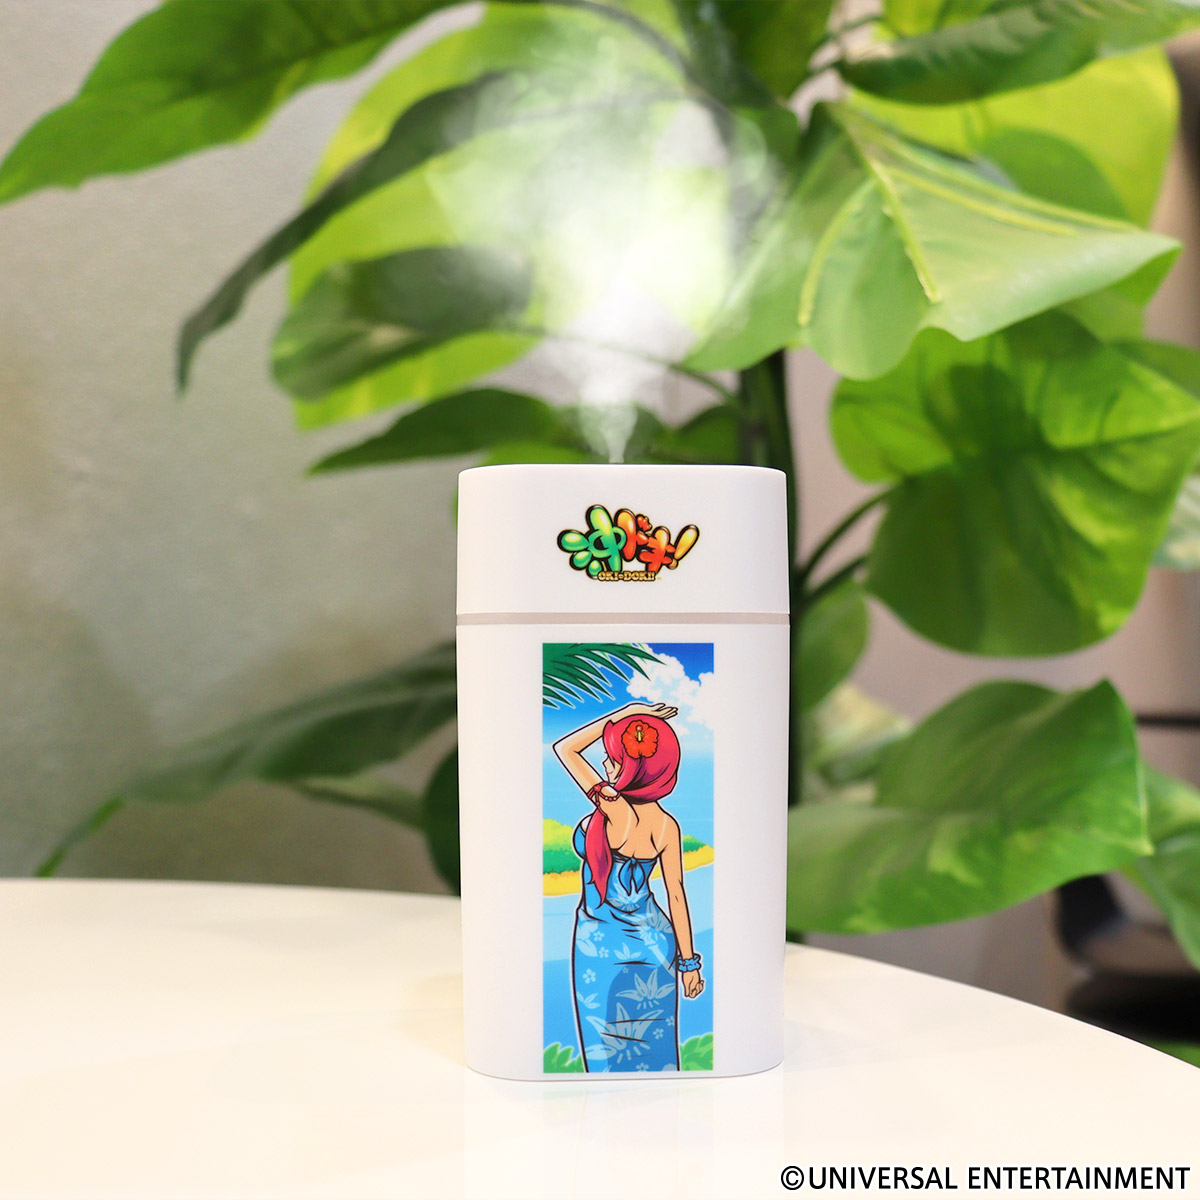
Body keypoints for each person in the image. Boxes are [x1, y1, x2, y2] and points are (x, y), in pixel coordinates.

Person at [552, 701, 704, 1072]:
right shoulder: (667, 825)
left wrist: (626, 712)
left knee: (604, 1047)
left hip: (600, 944)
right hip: (656, 943)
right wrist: (688, 964)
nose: (605, 764)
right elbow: (676, 896)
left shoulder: (614, 807)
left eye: (614, 759)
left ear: (634, 768)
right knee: (656, 1046)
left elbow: (566, 749)